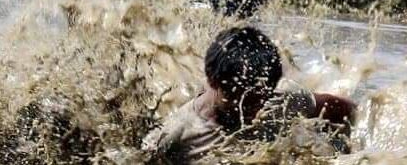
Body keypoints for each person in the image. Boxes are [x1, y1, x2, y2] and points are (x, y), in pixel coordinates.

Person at [142, 27, 355, 162]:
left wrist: (340, 150)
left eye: (262, 96)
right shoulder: (176, 133)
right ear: (213, 81)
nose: (256, 107)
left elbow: (345, 108)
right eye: (244, 99)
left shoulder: (278, 103)